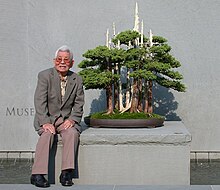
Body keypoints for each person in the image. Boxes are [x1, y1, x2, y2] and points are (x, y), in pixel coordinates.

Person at [30, 45, 84, 187]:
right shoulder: (44, 76)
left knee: (72, 133)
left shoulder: (77, 79)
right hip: (47, 117)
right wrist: (45, 122)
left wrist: (73, 119)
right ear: (54, 61)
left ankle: (66, 173)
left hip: (65, 119)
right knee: (47, 134)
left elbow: (79, 103)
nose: (62, 62)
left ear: (72, 62)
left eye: (66, 59)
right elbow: (39, 101)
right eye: (59, 59)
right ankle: (37, 174)